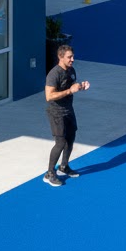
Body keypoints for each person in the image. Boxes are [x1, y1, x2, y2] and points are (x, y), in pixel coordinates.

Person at [43, 44, 89, 186]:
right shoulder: (54, 74)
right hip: (57, 113)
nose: (72, 59)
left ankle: (64, 166)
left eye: (73, 56)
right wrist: (70, 91)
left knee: (71, 138)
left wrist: (80, 87)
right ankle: (50, 173)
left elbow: (72, 87)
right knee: (60, 143)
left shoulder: (71, 70)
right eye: (69, 57)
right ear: (60, 57)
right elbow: (49, 96)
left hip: (69, 110)